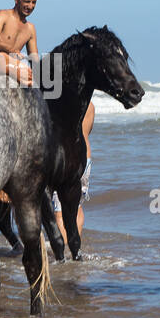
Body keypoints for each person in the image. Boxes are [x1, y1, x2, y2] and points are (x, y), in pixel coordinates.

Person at [52, 100, 95, 242]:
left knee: (60, 212)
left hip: (67, 161)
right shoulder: (90, 106)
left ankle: (65, 249)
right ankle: (75, 246)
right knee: (76, 206)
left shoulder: (64, 103)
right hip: (85, 160)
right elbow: (86, 132)